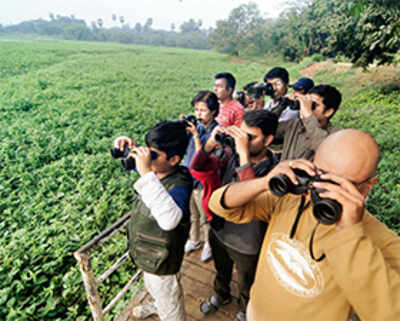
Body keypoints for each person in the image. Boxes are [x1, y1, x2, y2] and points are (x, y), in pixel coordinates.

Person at [208, 129, 400, 321]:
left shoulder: (379, 239)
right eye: (320, 175)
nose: (324, 190)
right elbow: (220, 205)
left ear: (367, 186)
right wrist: (265, 182)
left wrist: (350, 235)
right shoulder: (294, 199)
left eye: (340, 184)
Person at [191, 110, 279, 321]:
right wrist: (210, 144)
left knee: (247, 282)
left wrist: (244, 157)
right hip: (221, 229)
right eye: (241, 134)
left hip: (248, 241)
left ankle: (245, 308)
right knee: (221, 270)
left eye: (250, 137)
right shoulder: (230, 155)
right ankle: (221, 294)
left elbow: (250, 202)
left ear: (268, 140)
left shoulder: (275, 172)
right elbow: (197, 167)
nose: (243, 141)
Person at [113, 121, 193, 321]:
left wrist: (146, 172)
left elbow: (169, 220)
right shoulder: (157, 171)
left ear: (174, 159)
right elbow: (146, 174)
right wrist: (123, 147)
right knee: (154, 288)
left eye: (153, 155)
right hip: (147, 253)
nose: (147, 159)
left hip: (163, 261)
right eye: (146, 151)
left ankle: (167, 313)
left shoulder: (179, 183)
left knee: (170, 303)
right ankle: (158, 305)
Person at [182, 90, 219, 262]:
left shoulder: (215, 131)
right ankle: (194, 240)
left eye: (203, 110)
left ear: (213, 111)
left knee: (206, 217)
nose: (199, 114)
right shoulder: (195, 126)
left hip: (203, 181)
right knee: (192, 214)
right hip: (189, 178)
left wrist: (196, 137)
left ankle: (208, 244)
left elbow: (200, 159)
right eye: (196, 109)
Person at [275, 84, 342, 161]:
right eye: (307, 102)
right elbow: (264, 129)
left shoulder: (335, 135)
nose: (307, 106)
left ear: (328, 112)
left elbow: (324, 148)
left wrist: (308, 114)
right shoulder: (295, 124)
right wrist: (281, 105)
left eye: (314, 105)